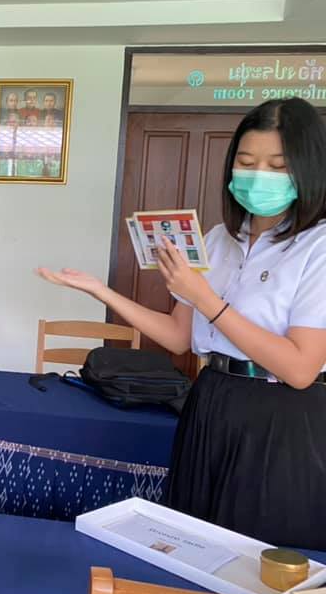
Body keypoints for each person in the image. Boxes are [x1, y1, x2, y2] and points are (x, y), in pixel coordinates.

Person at [37, 98, 326, 550]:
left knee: (257, 551)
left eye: (277, 165)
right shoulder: (219, 239)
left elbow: (300, 368)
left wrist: (205, 298)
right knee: (196, 539)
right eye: (246, 162)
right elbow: (178, 336)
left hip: (281, 416)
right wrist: (101, 292)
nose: (258, 176)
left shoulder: (317, 246)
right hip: (212, 399)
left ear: (307, 169)